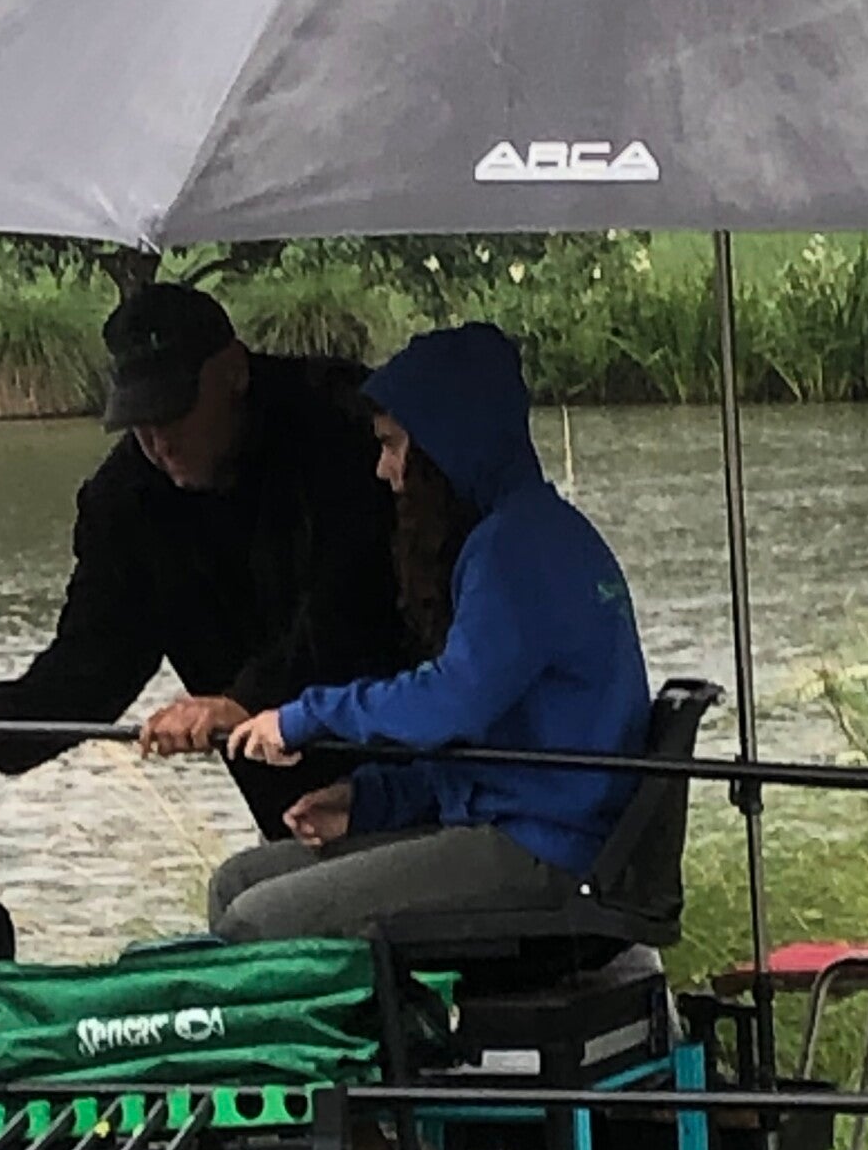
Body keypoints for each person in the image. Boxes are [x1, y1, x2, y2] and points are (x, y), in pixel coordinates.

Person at [0, 282, 409, 836]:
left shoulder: (350, 432)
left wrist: (244, 701)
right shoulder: (125, 499)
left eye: (175, 411)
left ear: (233, 372)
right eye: (140, 419)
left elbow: (357, 605)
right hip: (294, 807)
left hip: (424, 763)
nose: (160, 441)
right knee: (250, 886)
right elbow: (94, 660)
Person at [209, 321, 651, 940]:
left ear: (447, 446)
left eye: (392, 445)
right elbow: (493, 750)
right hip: (519, 822)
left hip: (547, 852)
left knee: (257, 920)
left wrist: (302, 717)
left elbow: (449, 703)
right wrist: (369, 801)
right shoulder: (528, 533)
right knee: (236, 883)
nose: (383, 469)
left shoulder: (516, 551)